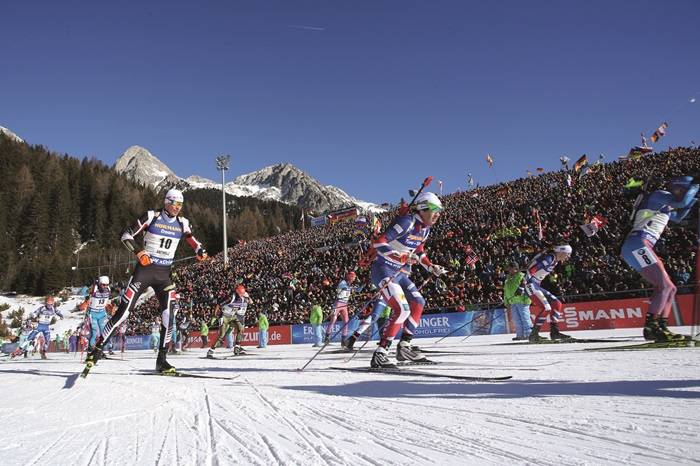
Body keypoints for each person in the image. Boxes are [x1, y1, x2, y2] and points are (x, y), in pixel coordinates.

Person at [84, 188, 207, 374]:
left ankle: (162, 361)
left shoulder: (183, 223)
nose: (177, 208)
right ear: (166, 202)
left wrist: (200, 251)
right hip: (145, 271)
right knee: (124, 313)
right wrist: (139, 252)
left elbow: (192, 240)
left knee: (169, 316)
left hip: (165, 274)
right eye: (174, 203)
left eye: (180, 204)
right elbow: (125, 235)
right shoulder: (152, 216)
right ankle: (97, 349)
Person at [370, 192, 446, 368]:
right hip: (383, 269)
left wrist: (430, 266)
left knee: (418, 302)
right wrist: (400, 257)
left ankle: (405, 346)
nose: (438, 214)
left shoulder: (426, 229)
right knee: (402, 309)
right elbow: (379, 243)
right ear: (423, 208)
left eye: (440, 211)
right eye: (435, 210)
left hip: (399, 272)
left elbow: (419, 252)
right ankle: (381, 352)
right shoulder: (407, 222)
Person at [621, 175, 698, 341]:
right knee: (664, 286)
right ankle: (652, 326)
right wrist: (695, 187)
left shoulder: (667, 205)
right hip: (638, 243)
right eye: (682, 190)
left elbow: (679, 217)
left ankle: (660, 326)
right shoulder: (658, 195)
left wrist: (694, 200)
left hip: (639, 245)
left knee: (670, 288)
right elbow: (682, 203)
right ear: (680, 187)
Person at [524, 245, 573, 341]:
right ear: (561, 252)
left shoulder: (554, 260)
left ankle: (554, 332)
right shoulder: (549, 258)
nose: (568, 256)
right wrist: (522, 285)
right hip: (530, 284)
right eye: (568, 254)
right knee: (546, 308)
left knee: (557, 303)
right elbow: (531, 270)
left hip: (536, 284)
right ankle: (534, 335)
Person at [207, 284, 250, 358]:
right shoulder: (230, 298)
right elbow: (218, 305)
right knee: (222, 335)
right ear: (237, 292)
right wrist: (215, 315)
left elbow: (238, 309)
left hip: (233, 316)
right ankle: (211, 351)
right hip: (224, 316)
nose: (241, 295)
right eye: (240, 294)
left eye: (242, 294)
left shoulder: (242, 299)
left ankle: (237, 348)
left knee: (241, 329)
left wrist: (239, 318)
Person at [79, 276, 112, 351]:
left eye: (107, 285)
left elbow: (107, 301)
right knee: (95, 332)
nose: (105, 286)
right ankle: (91, 349)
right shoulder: (95, 289)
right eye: (103, 285)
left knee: (104, 332)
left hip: (102, 313)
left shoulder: (108, 289)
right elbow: (83, 293)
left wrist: (110, 307)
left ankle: (100, 350)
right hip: (93, 313)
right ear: (100, 284)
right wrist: (86, 288)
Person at [324, 271, 357, 346]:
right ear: (350, 276)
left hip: (344, 304)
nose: (354, 279)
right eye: (353, 277)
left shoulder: (349, 284)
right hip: (338, 303)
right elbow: (337, 290)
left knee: (346, 322)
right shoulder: (343, 282)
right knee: (333, 319)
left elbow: (355, 290)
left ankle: (343, 340)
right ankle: (327, 337)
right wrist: (342, 289)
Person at [503, 263, 533, 340]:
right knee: (516, 319)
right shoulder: (508, 279)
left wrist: (527, 298)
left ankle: (529, 334)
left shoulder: (522, 276)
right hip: (512, 302)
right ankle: (520, 335)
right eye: (508, 268)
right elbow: (506, 291)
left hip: (522, 301)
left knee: (525, 318)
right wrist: (506, 302)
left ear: (515, 268)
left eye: (510, 268)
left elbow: (528, 288)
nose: (508, 270)